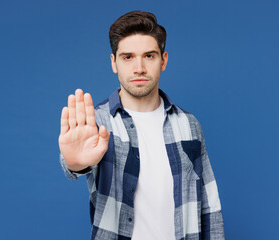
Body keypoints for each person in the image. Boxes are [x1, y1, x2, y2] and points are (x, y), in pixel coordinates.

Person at [59, 10, 224, 240]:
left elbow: (209, 204)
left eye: (149, 56)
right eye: (127, 57)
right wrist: (75, 164)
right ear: (113, 62)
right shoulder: (97, 123)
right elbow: (73, 163)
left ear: (163, 60)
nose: (139, 68)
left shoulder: (189, 125)